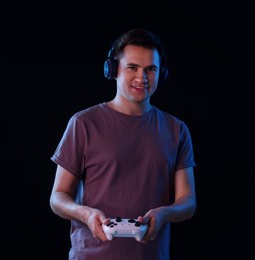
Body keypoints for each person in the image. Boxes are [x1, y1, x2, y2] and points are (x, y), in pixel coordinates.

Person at [49, 28, 197, 260]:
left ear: (162, 74)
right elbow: (57, 197)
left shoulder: (176, 130)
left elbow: (188, 202)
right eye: (133, 68)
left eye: (151, 69)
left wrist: (165, 213)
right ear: (113, 69)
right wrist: (85, 214)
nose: (142, 78)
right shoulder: (83, 123)